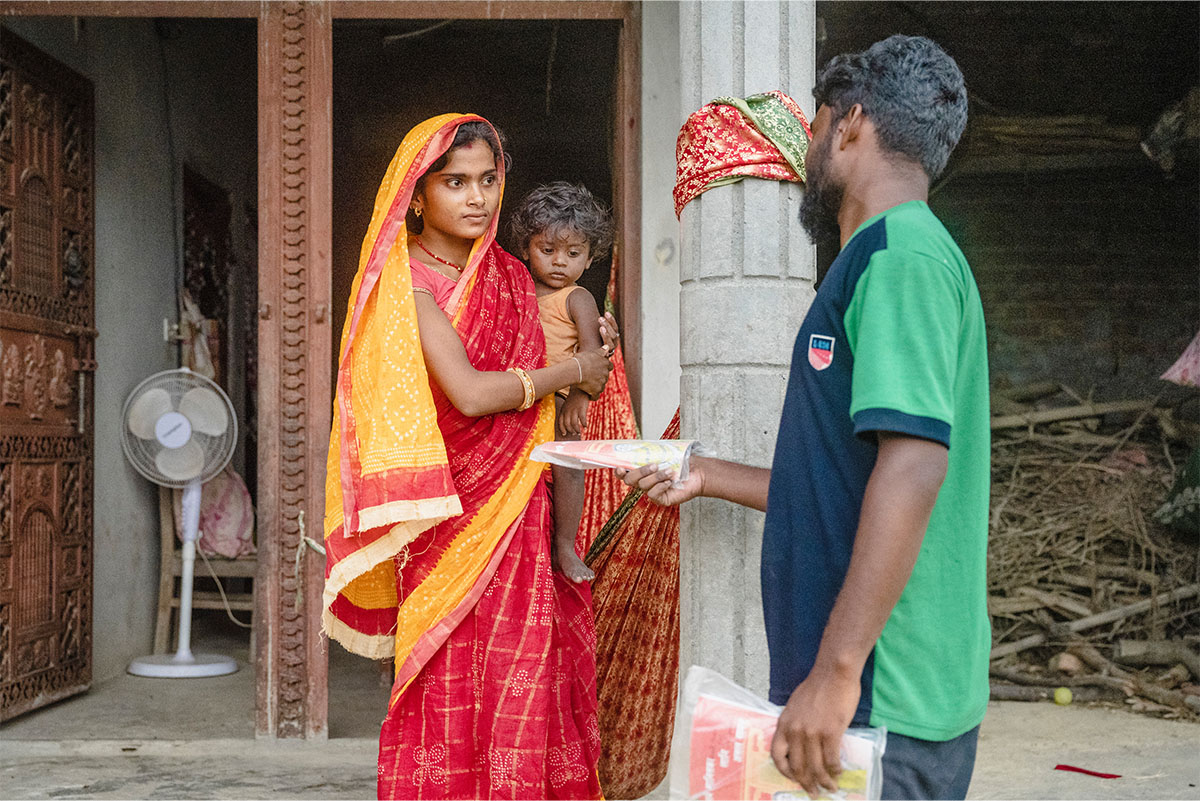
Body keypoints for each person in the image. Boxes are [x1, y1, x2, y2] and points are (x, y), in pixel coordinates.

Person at [619, 35, 989, 801]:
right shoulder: (883, 258)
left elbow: (914, 463)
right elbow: (841, 474)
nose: (808, 153)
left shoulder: (900, 259)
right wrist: (705, 473)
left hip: (885, 692)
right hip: (872, 689)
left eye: (815, 129)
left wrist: (837, 671)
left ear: (849, 124)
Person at [322, 114, 618, 800]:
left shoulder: (516, 277)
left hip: (518, 505)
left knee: (521, 669)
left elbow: (587, 368)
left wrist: (592, 355)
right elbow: (472, 393)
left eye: (487, 179)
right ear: (417, 195)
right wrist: (571, 370)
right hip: (449, 515)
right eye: (455, 182)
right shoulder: (406, 284)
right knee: (448, 672)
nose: (477, 197)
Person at [508, 182, 614, 584]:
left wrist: (578, 401)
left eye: (573, 254)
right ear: (525, 248)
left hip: (559, 401)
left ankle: (565, 546)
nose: (559, 263)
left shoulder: (578, 298)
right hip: (518, 396)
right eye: (547, 250)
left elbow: (592, 354)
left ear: (589, 258)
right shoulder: (516, 290)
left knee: (568, 466)